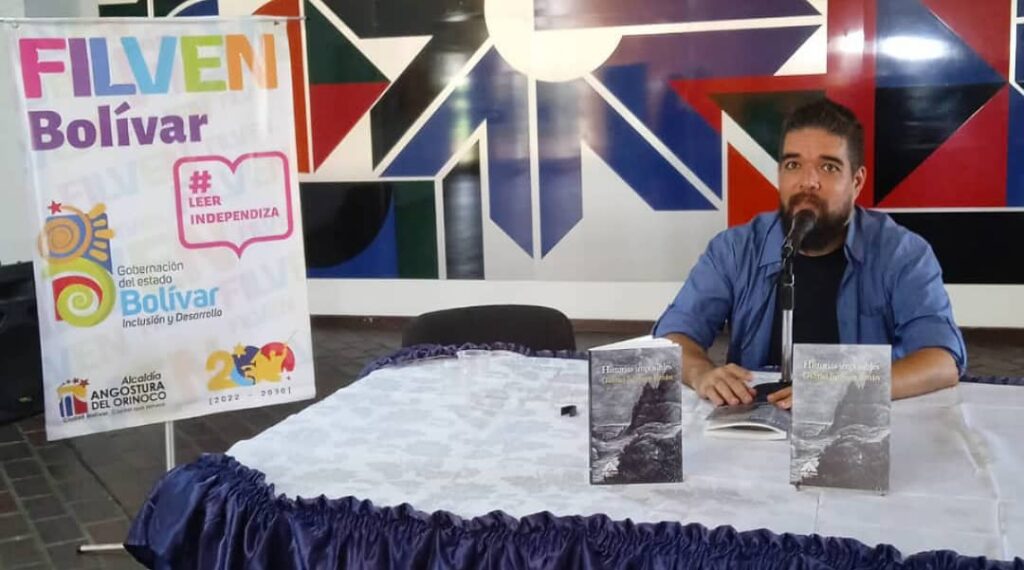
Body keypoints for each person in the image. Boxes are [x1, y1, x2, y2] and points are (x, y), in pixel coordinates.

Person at [653, 98, 966, 409]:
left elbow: (942, 361)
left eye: (828, 167)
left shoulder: (902, 253)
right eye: (793, 165)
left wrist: (846, 388)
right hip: (756, 420)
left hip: (855, 420)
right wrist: (701, 373)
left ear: (856, 182)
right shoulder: (735, 249)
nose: (807, 182)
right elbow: (671, 337)